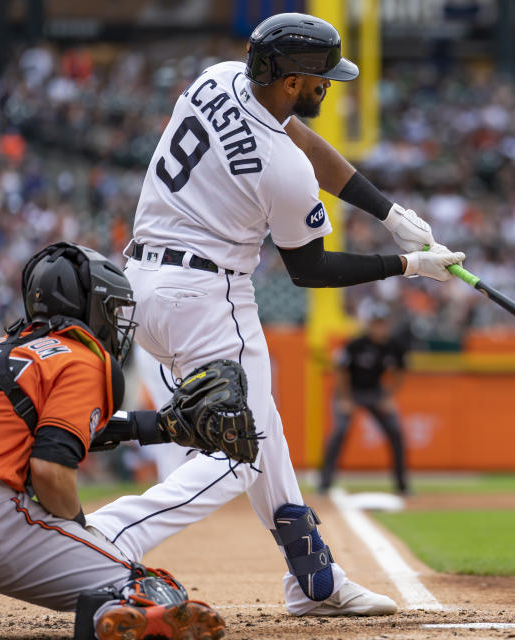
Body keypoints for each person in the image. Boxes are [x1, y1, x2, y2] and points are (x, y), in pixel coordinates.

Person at [86, 12, 465, 617]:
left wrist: (386, 210)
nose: (326, 88)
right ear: (291, 81)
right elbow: (309, 270)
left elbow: (297, 136)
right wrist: (406, 267)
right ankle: (106, 538)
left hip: (140, 287)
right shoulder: (282, 171)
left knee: (265, 431)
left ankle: (314, 579)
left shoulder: (219, 78)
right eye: (321, 80)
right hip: (207, 300)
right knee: (236, 453)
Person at [0, 242, 226, 640]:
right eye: (112, 307)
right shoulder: (80, 356)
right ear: (91, 305)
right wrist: (78, 529)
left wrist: (157, 426)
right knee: (146, 587)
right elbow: (49, 471)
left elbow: (44, 423)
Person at [320, 305, 410, 495]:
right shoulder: (356, 344)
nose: (380, 328)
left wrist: (388, 397)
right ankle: (324, 483)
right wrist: (345, 400)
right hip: (348, 390)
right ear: (370, 325)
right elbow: (341, 371)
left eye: (383, 324)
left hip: (375, 391)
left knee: (395, 431)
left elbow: (400, 373)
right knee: (339, 431)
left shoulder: (394, 346)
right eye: (377, 324)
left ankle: (402, 485)